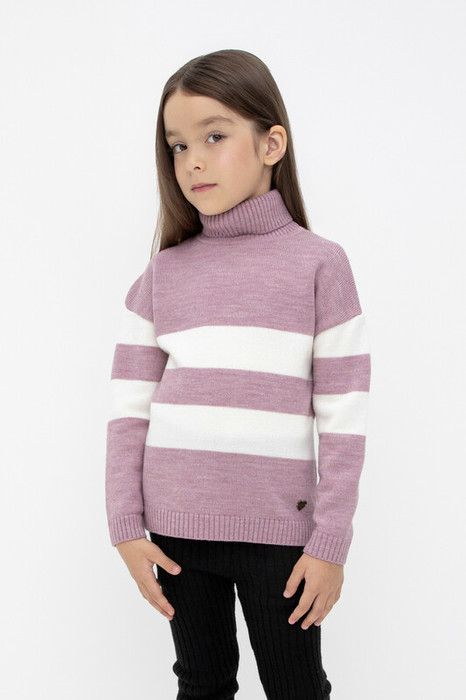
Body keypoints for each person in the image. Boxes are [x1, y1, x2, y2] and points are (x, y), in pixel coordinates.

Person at [105, 49, 371, 700]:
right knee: (201, 684)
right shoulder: (162, 274)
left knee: (295, 687)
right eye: (178, 145)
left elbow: (344, 418)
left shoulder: (320, 266)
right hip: (176, 533)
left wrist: (330, 543)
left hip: (281, 534)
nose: (192, 161)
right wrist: (125, 527)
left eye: (214, 137)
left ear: (271, 143)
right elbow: (128, 411)